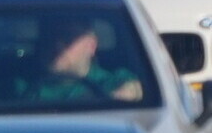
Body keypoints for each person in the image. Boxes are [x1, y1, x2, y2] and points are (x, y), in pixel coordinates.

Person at [18, 16, 146, 108]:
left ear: (91, 46)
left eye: (68, 37)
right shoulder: (18, 86)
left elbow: (138, 89)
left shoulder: (112, 82)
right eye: (49, 36)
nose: (57, 44)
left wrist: (129, 92)